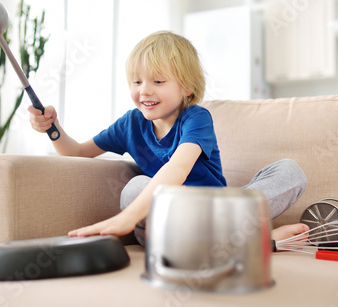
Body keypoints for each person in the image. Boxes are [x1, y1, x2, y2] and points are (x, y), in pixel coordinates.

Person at [28, 30, 309, 246]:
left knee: (289, 171)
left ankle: (231, 239)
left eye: (158, 81)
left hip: (216, 211)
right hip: (168, 222)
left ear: (186, 87)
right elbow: (76, 153)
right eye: (137, 82)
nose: (145, 91)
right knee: (137, 187)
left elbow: (178, 167)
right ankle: (254, 241)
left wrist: (127, 217)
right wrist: (53, 128)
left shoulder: (196, 118)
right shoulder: (130, 124)